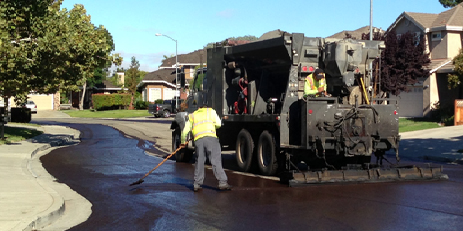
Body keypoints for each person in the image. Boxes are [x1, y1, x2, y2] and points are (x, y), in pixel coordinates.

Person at [181, 101, 231, 192]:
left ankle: (197, 184)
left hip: (198, 140)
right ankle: (222, 183)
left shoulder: (193, 115)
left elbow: (185, 131)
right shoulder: (211, 112)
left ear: (199, 108)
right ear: (207, 107)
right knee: (215, 160)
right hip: (211, 138)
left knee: (199, 161)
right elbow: (219, 124)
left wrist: (183, 142)